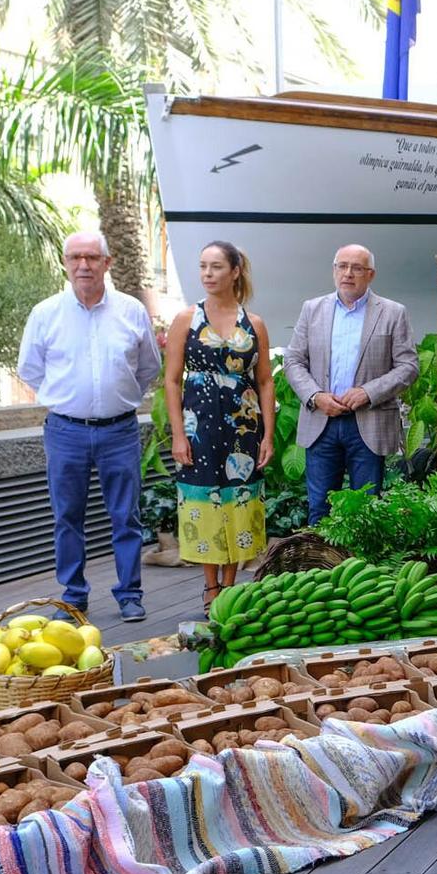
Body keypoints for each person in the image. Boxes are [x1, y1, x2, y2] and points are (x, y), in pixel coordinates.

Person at [17, 231, 162, 622]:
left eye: (92, 258)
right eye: (75, 258)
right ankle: (74, 595)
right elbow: (29, 369)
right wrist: (67, 395)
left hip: (120, 430)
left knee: (126, 515)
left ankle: (130, 594)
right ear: (65, 263)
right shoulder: (45, 313)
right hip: (66, 431)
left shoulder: (131, 310)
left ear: (107, 263)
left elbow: (150, 366)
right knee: (67, 516)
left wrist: (119, 394)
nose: (83, 265)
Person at [165, 241, 276, 607]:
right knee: (204, 501)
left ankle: (230, 587)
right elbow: (172, 380)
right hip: (199, 427)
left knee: (238, 501)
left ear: (235, 271)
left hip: (242, 428)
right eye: (203, 267)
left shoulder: (254, 323)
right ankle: (210, 588)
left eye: (215, 267)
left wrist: (268, 436)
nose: (207, 274)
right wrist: (178, 435)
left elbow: (264, 381)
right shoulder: (187, 319)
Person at [284, 244, 419, 524]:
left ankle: (362, 568)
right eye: (342, 266)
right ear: (334, 271)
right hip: (321, 420)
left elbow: (408, 366)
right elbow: (293, 361)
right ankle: (322, 566)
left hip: (368, 422)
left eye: (357, 268)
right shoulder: (312, 309)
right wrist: (316, 396)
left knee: (367, 511)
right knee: (320, 508)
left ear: (370, 275)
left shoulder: (392, 313)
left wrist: (368, 393)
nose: (348, 273)